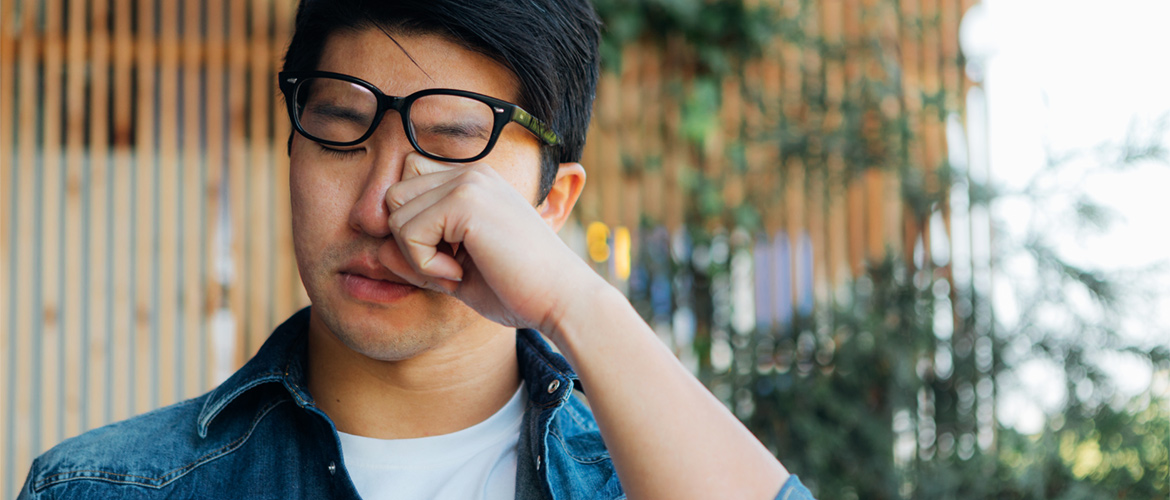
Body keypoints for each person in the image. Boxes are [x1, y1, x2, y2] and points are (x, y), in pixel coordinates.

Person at [19, 1, 816, 499]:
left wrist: (574, 301)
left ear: (552, 203)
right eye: (338, 126)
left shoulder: (638, 481)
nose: (379, 209)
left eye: (450, 145)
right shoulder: (106, 489)